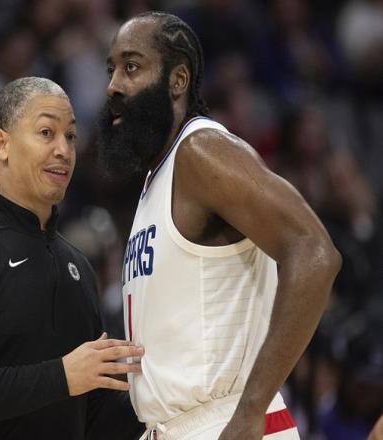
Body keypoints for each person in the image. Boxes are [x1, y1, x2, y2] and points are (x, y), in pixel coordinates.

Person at [96, 12, 341, 440]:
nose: (113, 85)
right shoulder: (158, 177)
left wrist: (251, 409)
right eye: (111, 69)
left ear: (178, 80)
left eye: (131, 67)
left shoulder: (203, 151)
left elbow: (314, 252)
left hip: (225, 422)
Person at [0, 77, 145, 440]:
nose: (64, 150)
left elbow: (93, 418)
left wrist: (162, 391)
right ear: (1, 144)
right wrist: (63, 376)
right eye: (47, 132)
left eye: (70, 136)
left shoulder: (80, 268)